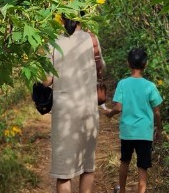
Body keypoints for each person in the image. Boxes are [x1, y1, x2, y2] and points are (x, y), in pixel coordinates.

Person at [43, 14, 105, 193]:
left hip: (64, 113)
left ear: (60, 18)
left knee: (64, 173)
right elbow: (100, 70)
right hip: (87, 109)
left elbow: (47, 80)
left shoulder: (53, 42)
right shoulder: (91, 39)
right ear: (82, 18)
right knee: (87, 166)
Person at [101, 47, 162, 193]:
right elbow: (157, 112)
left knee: (125, 161)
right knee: (142, 167)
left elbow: (118, 108)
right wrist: (159, 128)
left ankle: (121, 190)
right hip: (144, 133)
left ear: (128, 64)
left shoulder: (123, 84)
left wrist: (109, 114)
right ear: (145, 64)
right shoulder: (150, 86)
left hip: (127, 132)